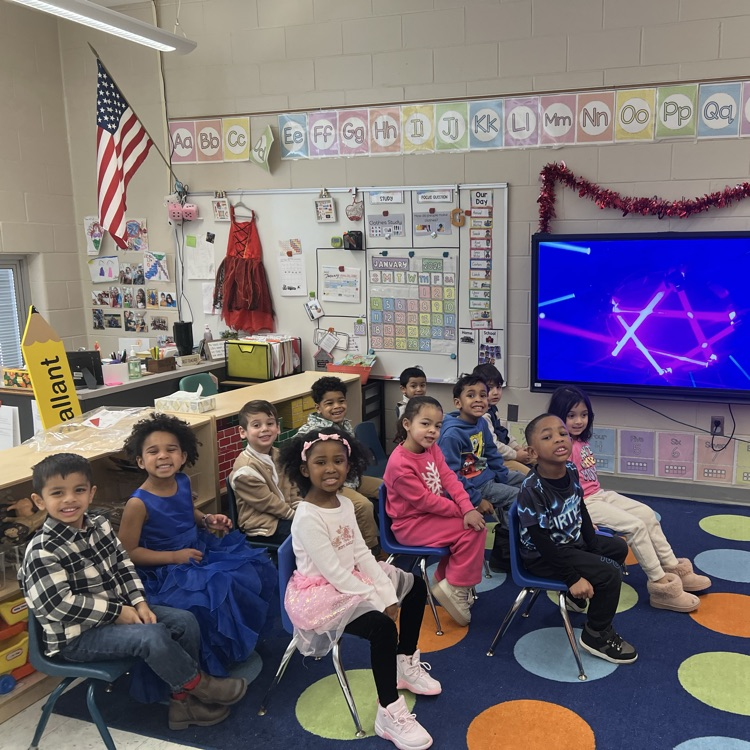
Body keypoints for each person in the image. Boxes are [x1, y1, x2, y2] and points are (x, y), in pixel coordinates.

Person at [19, 453, 247, 730]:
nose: (69, 500)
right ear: (40, 501)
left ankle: (182, 704)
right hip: (76, 638)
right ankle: (200, 685)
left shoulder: (99, 526)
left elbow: (124, 566)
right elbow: (58, 605)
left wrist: (139, 603)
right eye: (58, 493)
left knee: (184, 620)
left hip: (118, 615)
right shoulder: (42, 549)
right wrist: (117, 612)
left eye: (78, 490)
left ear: (91, 493)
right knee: (151, 636)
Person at [279, 426, 440, 750]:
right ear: (304, 469)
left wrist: (386, 592)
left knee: (415, 586)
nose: (330, 469)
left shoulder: (344, 504)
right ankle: (388, 710)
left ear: (349, 466)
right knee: (381, 627)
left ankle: (404, 663)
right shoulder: (307, 516)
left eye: (338, 461)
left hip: (350, 579)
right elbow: (336, 573)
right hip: (319, 594)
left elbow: (361, 555)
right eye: (320, 462)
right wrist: (381, 601)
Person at [118, 412, 276, 678]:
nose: (163, 456)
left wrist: (207, 520)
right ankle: (202, 668)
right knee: (209, 594)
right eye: (153, 451)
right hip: (164, 570)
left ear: (183, 455)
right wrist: (174, 557)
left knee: (249, 570)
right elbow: (128, 553)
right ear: (140, 461)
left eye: (171, 450)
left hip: (196, 550)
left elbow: (186, 512)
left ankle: (232, 649)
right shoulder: (138, 503)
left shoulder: (182, 481)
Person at [548, 386, 709, 612]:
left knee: (646, 515)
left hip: (598, 495)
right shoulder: (561, 447)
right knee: (635, 527)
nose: (578, 421)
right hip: (582, 504)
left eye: (584, 415)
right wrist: (579, 518)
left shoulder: (580, 441)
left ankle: (673, 568)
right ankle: (661, 586)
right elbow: (558, 490)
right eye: (571, 415)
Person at [518, 414, 638, 664]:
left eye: (562, 434)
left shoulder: (571, 469)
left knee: (617, 547)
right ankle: (596, 633)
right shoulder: (532, 489)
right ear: (532, 451)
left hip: (570, 541)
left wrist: (593, 546)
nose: (559, 439)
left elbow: (579, 507)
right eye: (547, 437)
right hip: (545, 555)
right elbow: (541, 542)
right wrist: (572, 578)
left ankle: (575, 601)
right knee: (610, 573)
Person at [384, 396, 486, 627]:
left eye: (438, 426)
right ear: (407, 424)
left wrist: (467, 506)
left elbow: (450, 478)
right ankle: (454, 585)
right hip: (410, 526)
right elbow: (425, 502)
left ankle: (449, 583)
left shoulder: (431, 449)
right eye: (425, 424)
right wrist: (463, 512)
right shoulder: (400, 464)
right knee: (473, 529)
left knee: (473, 524)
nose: (432, 431)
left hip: (430, 518)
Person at [437, 373, 524, 572]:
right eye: (471, 395)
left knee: (528, 482)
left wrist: (502, 476)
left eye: (482, 395)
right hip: (474, 486)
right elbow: (450, 477)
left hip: (486, 476)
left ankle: (520, 534)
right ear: (458, 402)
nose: (478, 399)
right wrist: (475, 499)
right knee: (518, 498)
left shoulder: (481, 423)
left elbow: (491, 452)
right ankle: (507, 550)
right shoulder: (451, 434)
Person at [296, 376, 381, 553]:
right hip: (332, 483)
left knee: (388, 488)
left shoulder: (344, 426)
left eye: (341, 401)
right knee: (363, 505)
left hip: (350, 477)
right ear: (318, 407)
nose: (337, 407)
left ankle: (393, 531)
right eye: (329, 403)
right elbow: (294, 461)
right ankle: (372, 550)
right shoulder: (310, 433)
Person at [229, 399, 300, 543]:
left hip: (285, 515)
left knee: (321, 523)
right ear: (243, 432)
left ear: (278, 428)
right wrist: (298, 517)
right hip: (262, 525)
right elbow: (269, 503)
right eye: (256, 425)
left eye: (270, 423)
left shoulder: (279, 455)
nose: (265, 429)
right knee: (309, 534)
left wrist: (302, 508)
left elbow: (292, 486)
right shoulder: (245, 470)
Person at [473, 363, 532, 475]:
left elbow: (502, 433)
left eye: (499, 387)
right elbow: (494, 445)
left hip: (500, 456)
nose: (496, 392)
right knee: (529, 475)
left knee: (536, 460)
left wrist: (517, 448)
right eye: (490, 388)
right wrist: (516, 455)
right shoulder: (483, 416)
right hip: (489, 461)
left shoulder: (493, 409)